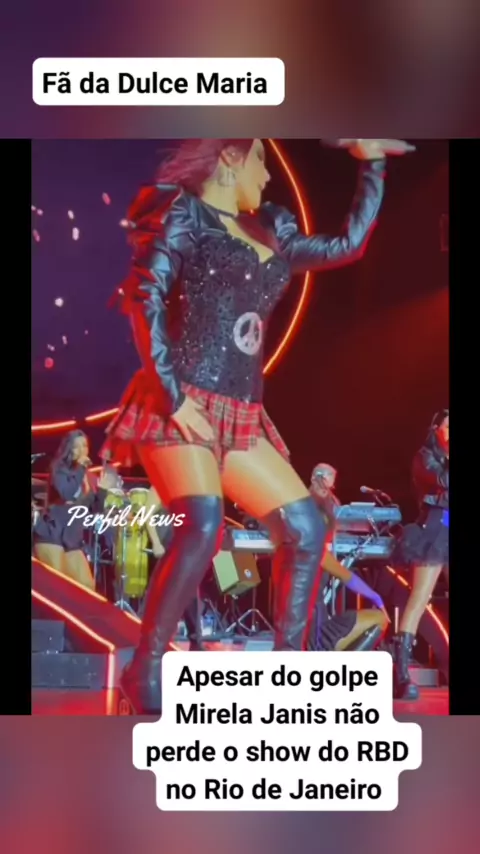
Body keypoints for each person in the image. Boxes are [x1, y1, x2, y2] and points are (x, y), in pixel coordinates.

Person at [101, 137, 410, 714]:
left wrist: (371, 164)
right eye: (262, 162)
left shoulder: (271, 230)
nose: (268, 178)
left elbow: (348, 245)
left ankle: (289, 671)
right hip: (181, 401)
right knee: (203, 523)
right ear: (230, 157)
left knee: (305, 528)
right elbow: (145, 299)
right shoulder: (183, 214)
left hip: (240, 412)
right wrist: (171, 398)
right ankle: (146, 666)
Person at [392, 409, 449, 700]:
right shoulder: (425, 457)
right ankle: (401, 673)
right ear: (436, 427)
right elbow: (441, 481)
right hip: (436, 529)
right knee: (420, 598)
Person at [309, 463, 389, 651]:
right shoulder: (317, 553)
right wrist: (376, 598)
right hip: (314, 634)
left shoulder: (303, 548)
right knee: (379, 619)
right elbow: (348, 577)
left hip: (306, 628)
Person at [33, 430, 118, 590]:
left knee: (87, 587)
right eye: (76, 446)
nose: (81, 450)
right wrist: (81, 468)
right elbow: (67, 493)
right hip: (52, 535)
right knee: (58, 587)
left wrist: (102, 491)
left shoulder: (89, 477)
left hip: (72, 540)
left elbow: (95, 510)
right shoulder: (59, 469)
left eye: (84, 446)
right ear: (69, 449)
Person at [142, 486, 205, 650]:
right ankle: (154, 640)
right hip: (164, 545)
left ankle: (195, 640)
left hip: (182, 545)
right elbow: (147, 515)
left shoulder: (185, 487)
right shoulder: (159, 488)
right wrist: (156, 543)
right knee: (162, 594)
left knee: (190, 593)